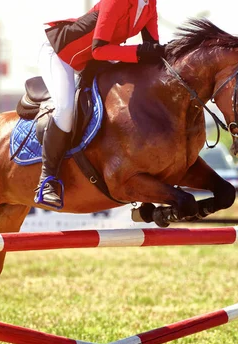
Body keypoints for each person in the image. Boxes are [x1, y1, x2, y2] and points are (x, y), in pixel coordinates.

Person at [35, 0, 165, 208]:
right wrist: (140, 51)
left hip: (92, 59)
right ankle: (47, 180)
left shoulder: (150, 5)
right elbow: (99, 50)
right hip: (60, 54)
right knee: (66, 108)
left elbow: (152, 49)